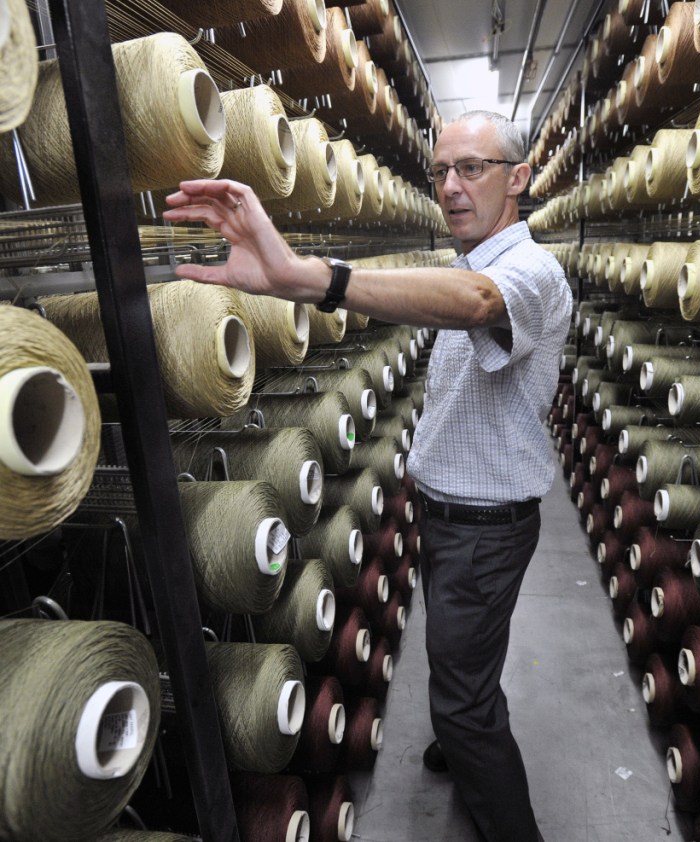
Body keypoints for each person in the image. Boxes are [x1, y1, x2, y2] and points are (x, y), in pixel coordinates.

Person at [164, 109, 572, 842]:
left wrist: (309, 278)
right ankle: (463, 728)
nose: (450, 187)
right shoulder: (469, 263)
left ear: (519, 178)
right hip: (454, 513)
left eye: (471, 168)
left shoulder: (529, 274)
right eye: (441, 170)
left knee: (460, 701)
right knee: (471, 656)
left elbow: (478, 307)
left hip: (484, 526)